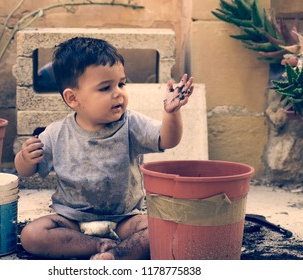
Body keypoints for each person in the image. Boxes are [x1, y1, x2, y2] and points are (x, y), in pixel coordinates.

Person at [14, 37, 194, 260]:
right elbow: (25, 171)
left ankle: (117, 255)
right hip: (72, 220)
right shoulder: (56, 133)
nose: (118, 93)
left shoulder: (131, 124)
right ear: (72, 98)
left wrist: (172, 113)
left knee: (161, 229)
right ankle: (98, 245)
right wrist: (25, 157)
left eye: (121, 84)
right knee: (32, 235)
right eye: (105, 88)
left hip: (125, 219)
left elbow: (167, 140)